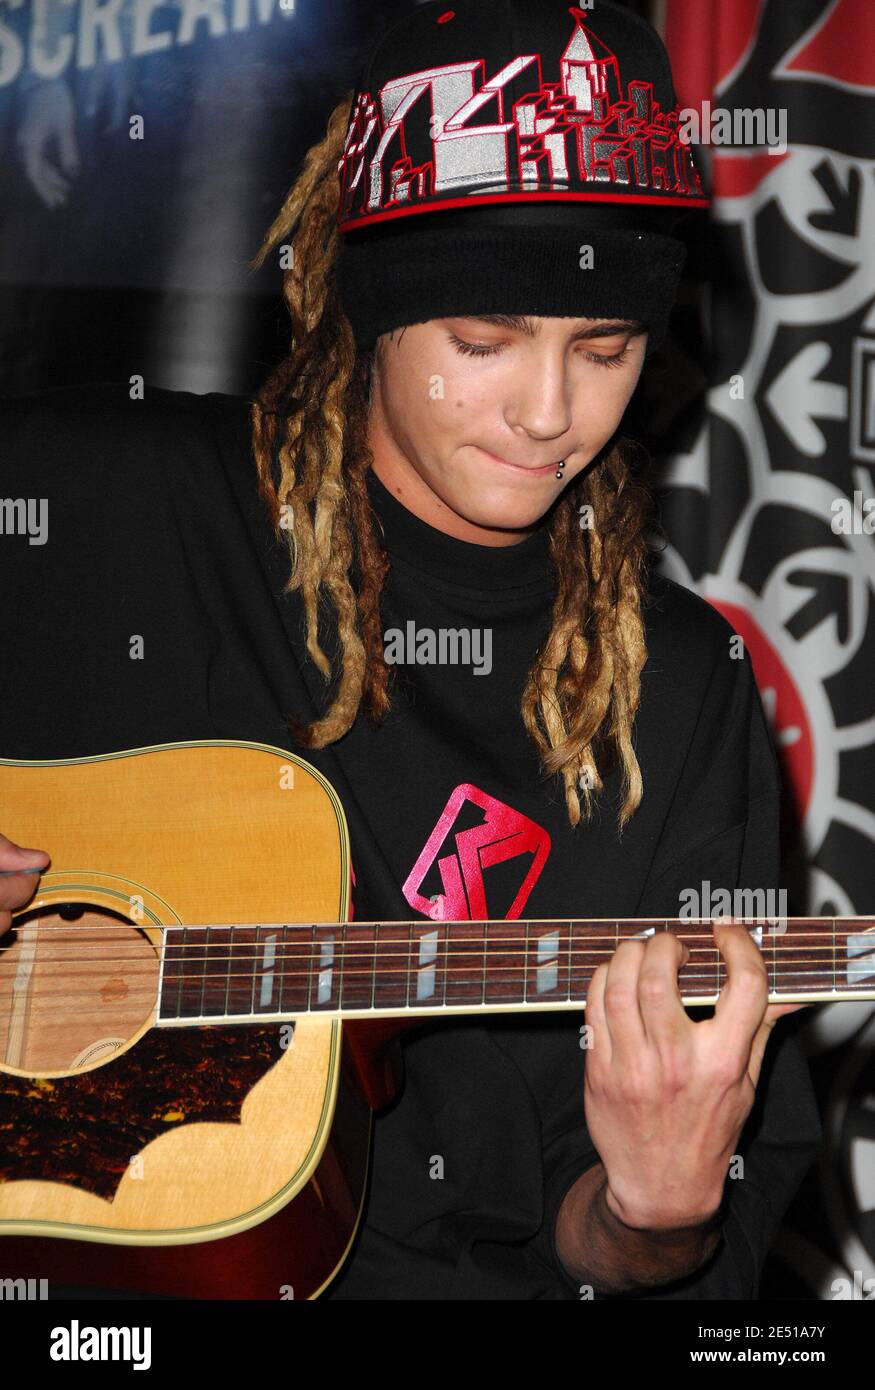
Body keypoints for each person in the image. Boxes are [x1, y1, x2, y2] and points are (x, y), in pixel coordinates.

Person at [0, 0, 821, 1300]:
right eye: (481, 343)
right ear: (366, 312)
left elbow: (613, 1252)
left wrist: (655, 1212)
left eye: (604, 350)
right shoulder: (94, 491)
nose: (551, 416)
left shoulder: (676, 696)